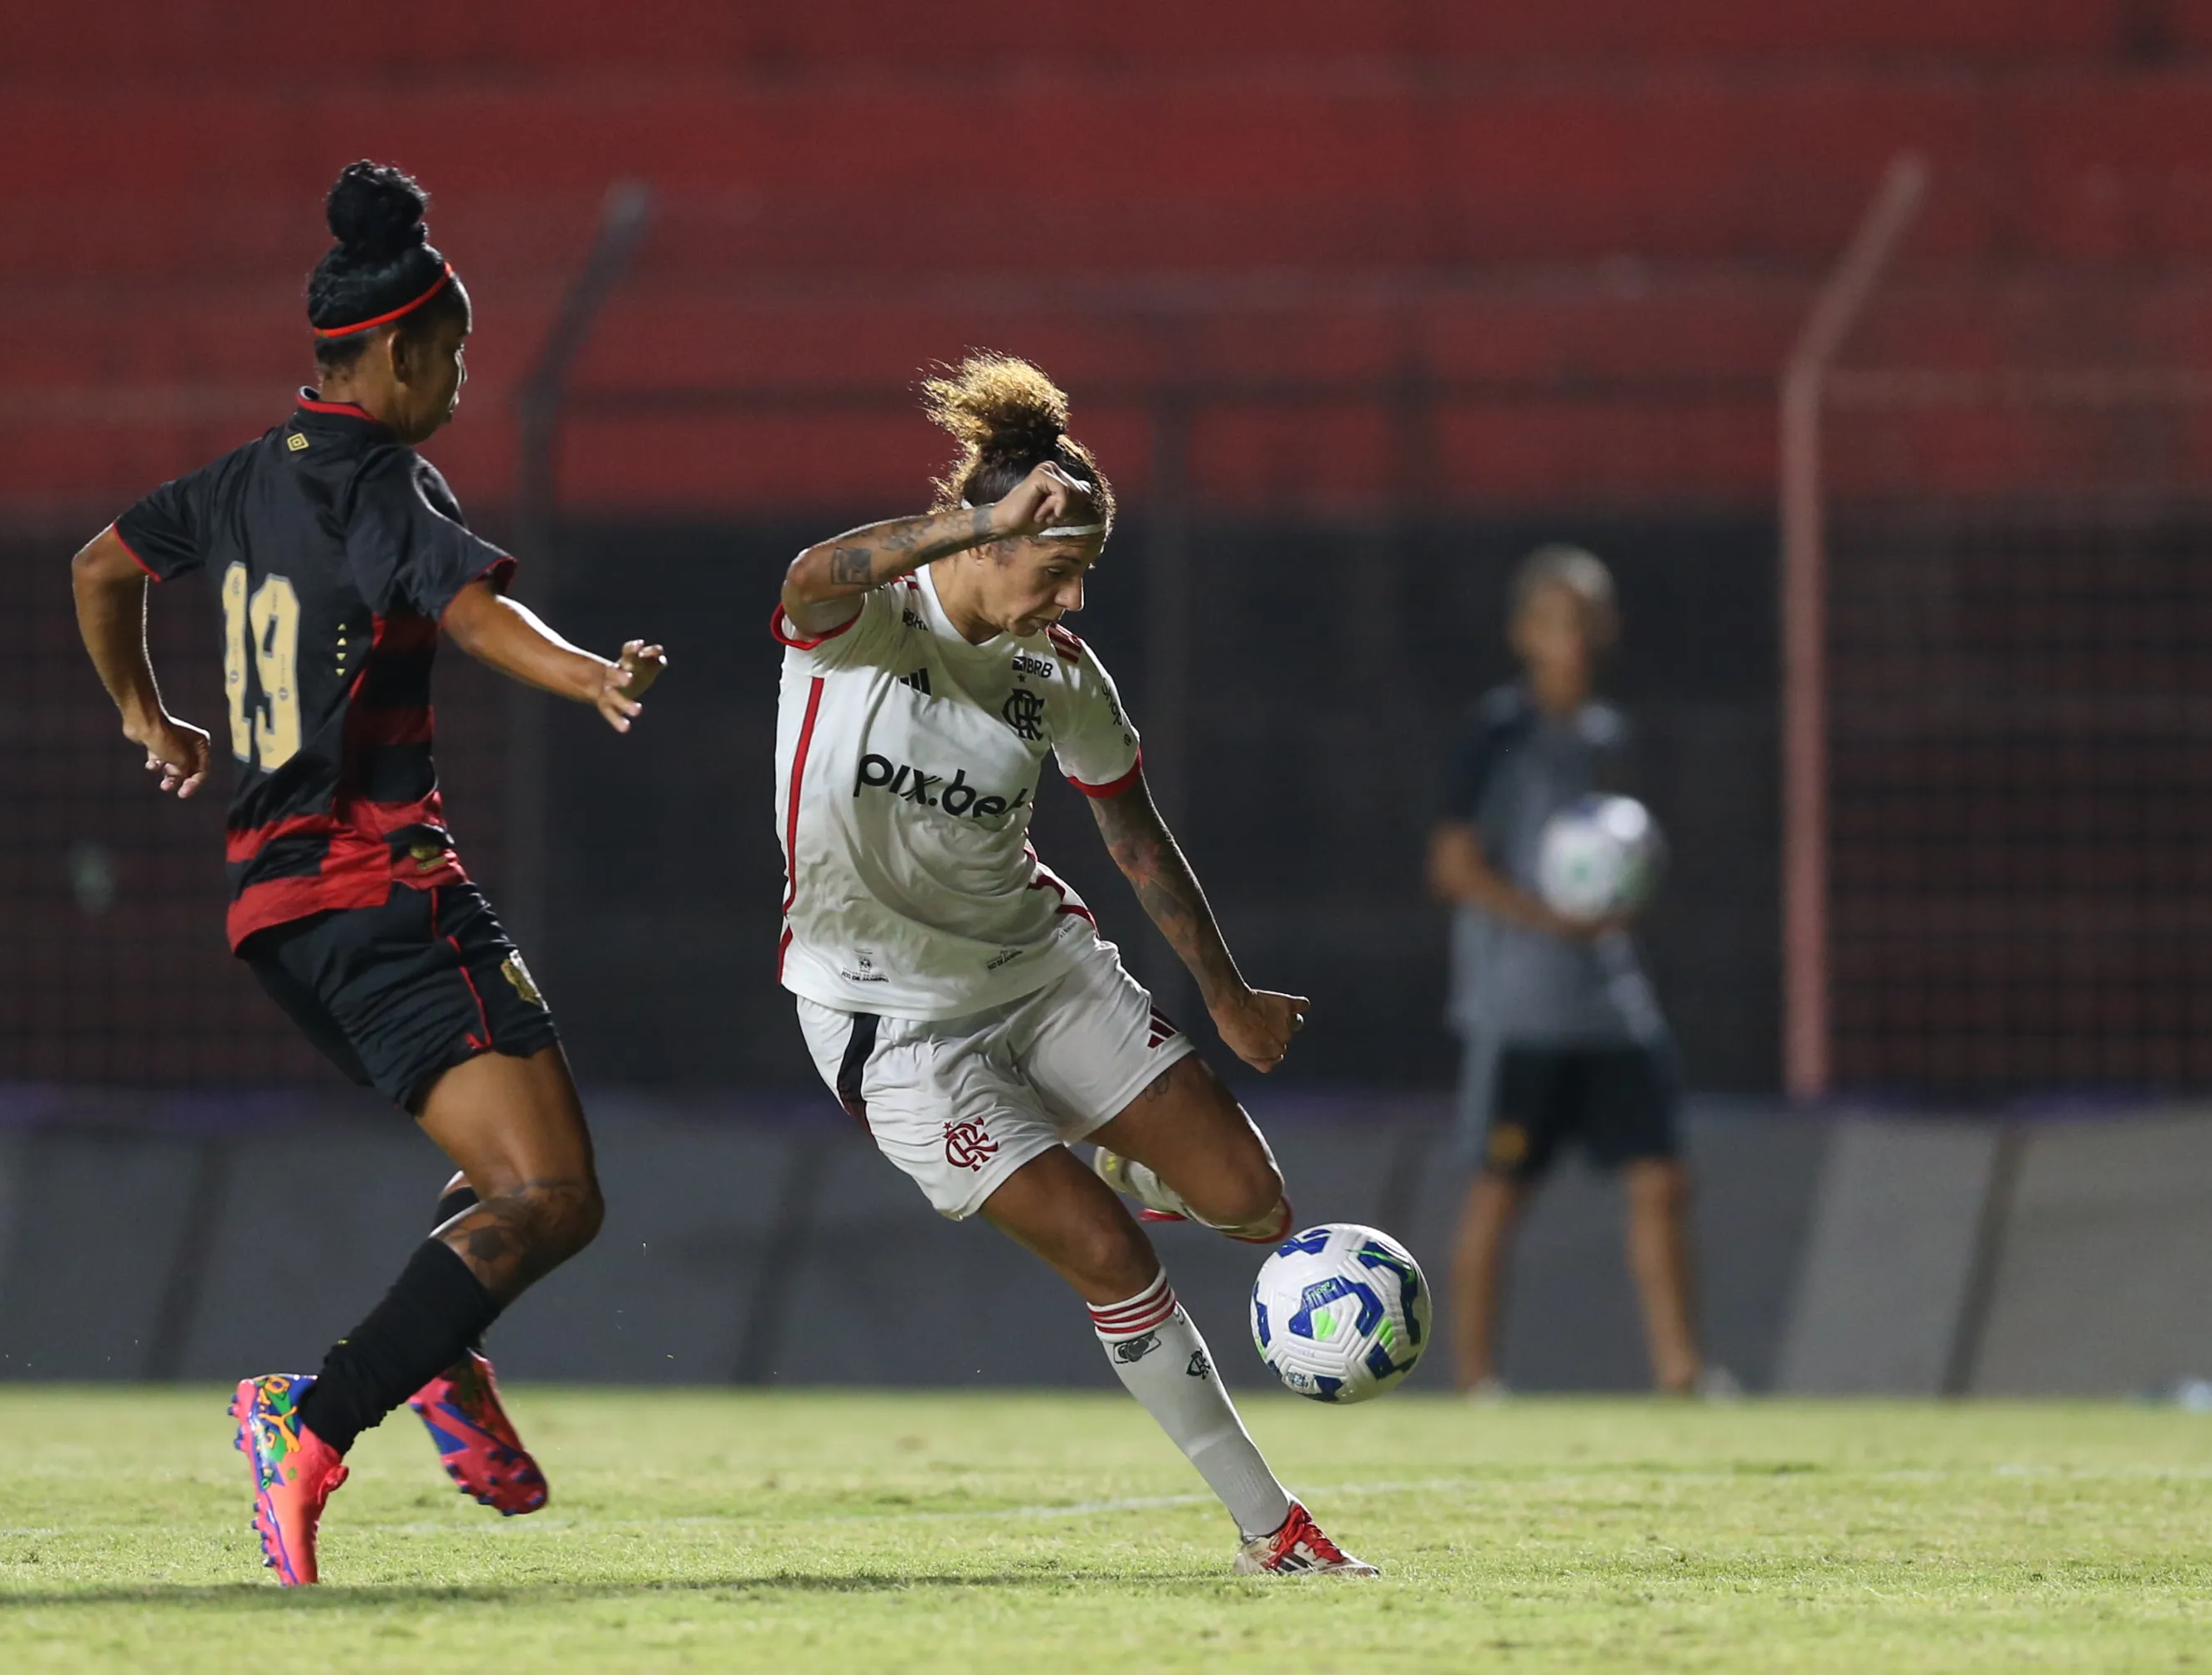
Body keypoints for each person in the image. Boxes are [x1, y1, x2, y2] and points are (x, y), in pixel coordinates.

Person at [69, 161, 668, 1585]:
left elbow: (96, 566)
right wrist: (589, 675)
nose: (460, 380)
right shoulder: (377, 476)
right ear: (398, 352)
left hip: (277, 911)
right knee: (556, 1195)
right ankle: (321, 1411)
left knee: (508, 1178)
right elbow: (472, 611)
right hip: (384, 886)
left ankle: (436, 1355)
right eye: (451, 355)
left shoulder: (238, 479)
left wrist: (147, 715)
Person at [771, 353, 1373, 1576]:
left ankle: (1116, 1146)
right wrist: (973, 518)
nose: (1073, 597)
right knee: (1112, 1254)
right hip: (893, 1024)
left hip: (1038, 973)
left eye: (1085, 572)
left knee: (1253, 1203)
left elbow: (1134, 836)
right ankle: (1275, 1531)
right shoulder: (868, 623)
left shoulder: (1060, 677)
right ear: (988, 537)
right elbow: (806, 575)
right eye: (1056, 569)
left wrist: (1227, 995)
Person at [1427, 544, 1709, 1396]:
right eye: (1554, 622)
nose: (1572, 638)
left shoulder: (1607, 735)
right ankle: (1478, 1382)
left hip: (1612, 1002)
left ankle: (1683, 1375)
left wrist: (1625, 897)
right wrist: (1553, 918)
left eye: (1585, 620)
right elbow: (1452, 866)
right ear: (1523, 633)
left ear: (1608, 628)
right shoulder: (1498, 734)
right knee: (1500, 1191)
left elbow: (1620, 861)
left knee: (1663, 1179)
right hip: (1525, 1010)